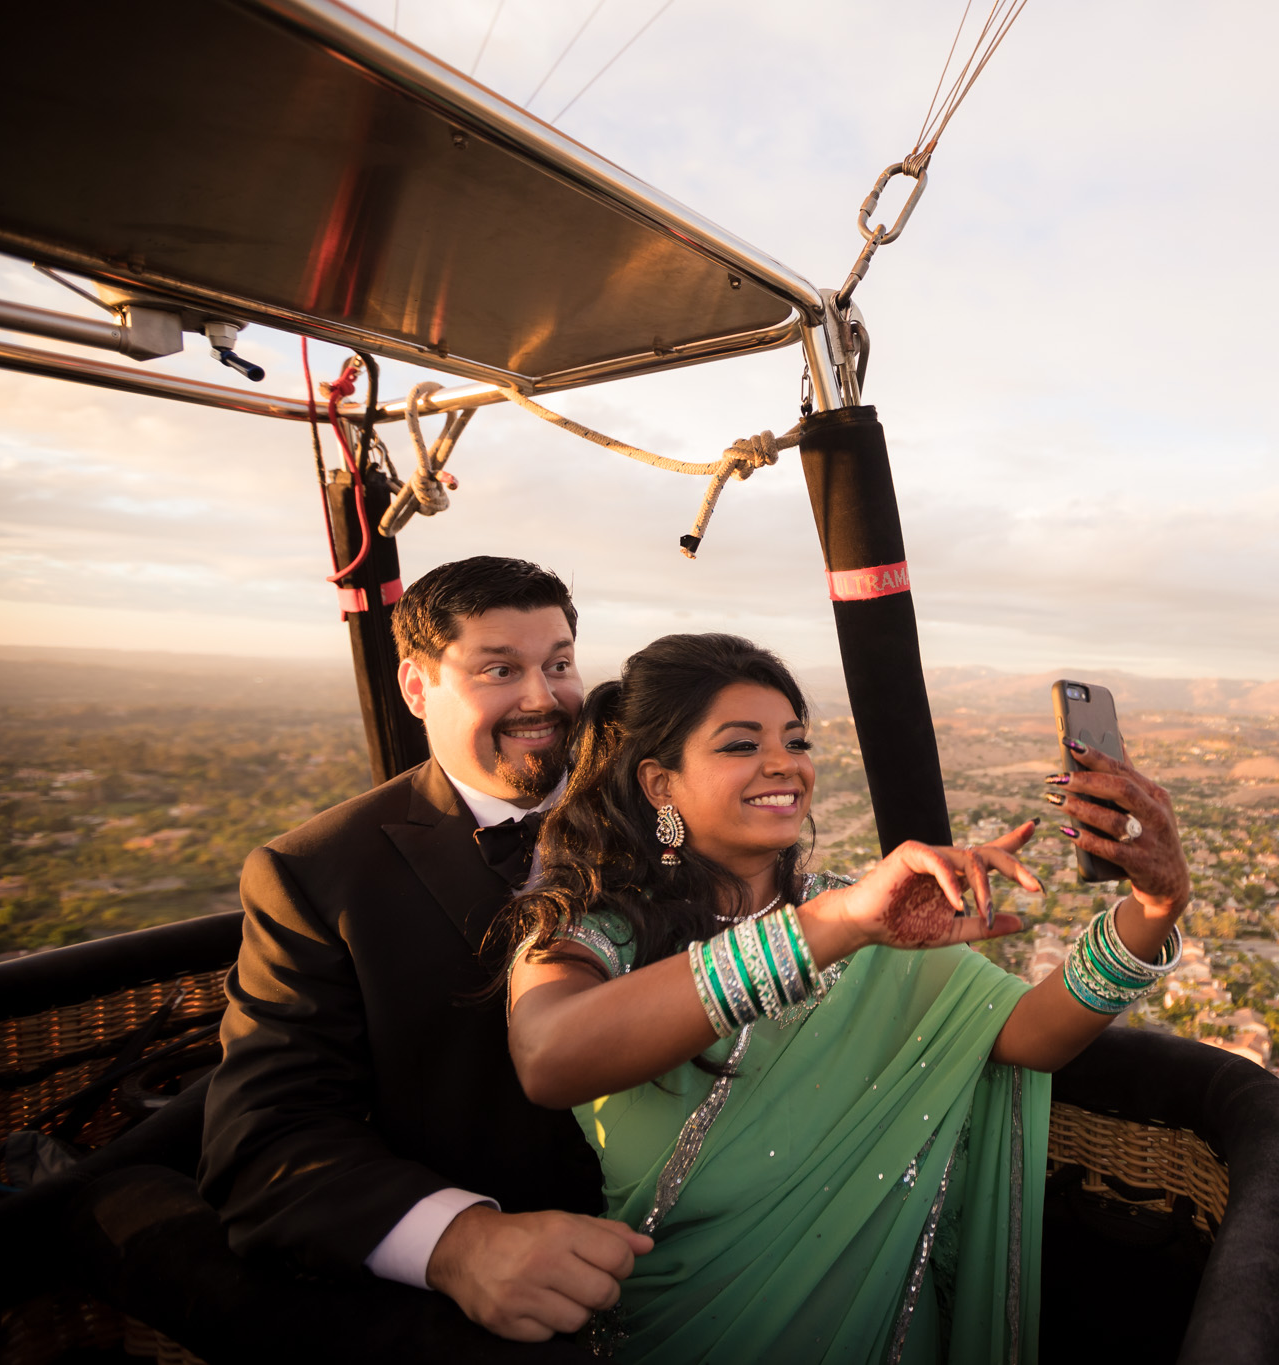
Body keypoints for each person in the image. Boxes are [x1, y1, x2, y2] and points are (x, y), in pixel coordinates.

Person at [506, 634, 1192, 1364]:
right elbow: (550, 1055)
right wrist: (828, 931)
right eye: (740, 745)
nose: (784, 763)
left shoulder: (858, 912)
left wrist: (1155, 906)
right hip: (683, 1331)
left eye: (796, 739)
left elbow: (1033, 1033)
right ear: (659, 783)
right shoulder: (593, 931)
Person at [198, 556, 652, 1350]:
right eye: (500, 669)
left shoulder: (661, 808)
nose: (542, 697)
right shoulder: (317, 875)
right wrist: (461, 1244)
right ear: (416, 689)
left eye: (558, 664)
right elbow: (265, 1142)